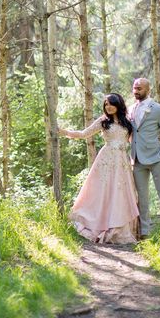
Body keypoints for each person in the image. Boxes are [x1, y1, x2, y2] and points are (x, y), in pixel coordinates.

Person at [59, 93, 139, 244]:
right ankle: (99, 223)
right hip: (106, 160)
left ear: (118, 105)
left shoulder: (128, 122)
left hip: (122, 162)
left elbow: (135, 142)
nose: (108, 107)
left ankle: (119, 228)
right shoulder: (103, 121)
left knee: (120, 193)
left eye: (111, 104)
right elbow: (84, 134)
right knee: (103, 192)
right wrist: (65, 132)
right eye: (106, 104)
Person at [127, 78, 160, 239]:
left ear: (148, 89)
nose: (136, 91)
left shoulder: (159, 109)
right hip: (137, 159)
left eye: (139, 88)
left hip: (156, 158)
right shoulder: (130, 109)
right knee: (142, 197)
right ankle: (145, 232)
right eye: (134, 88)